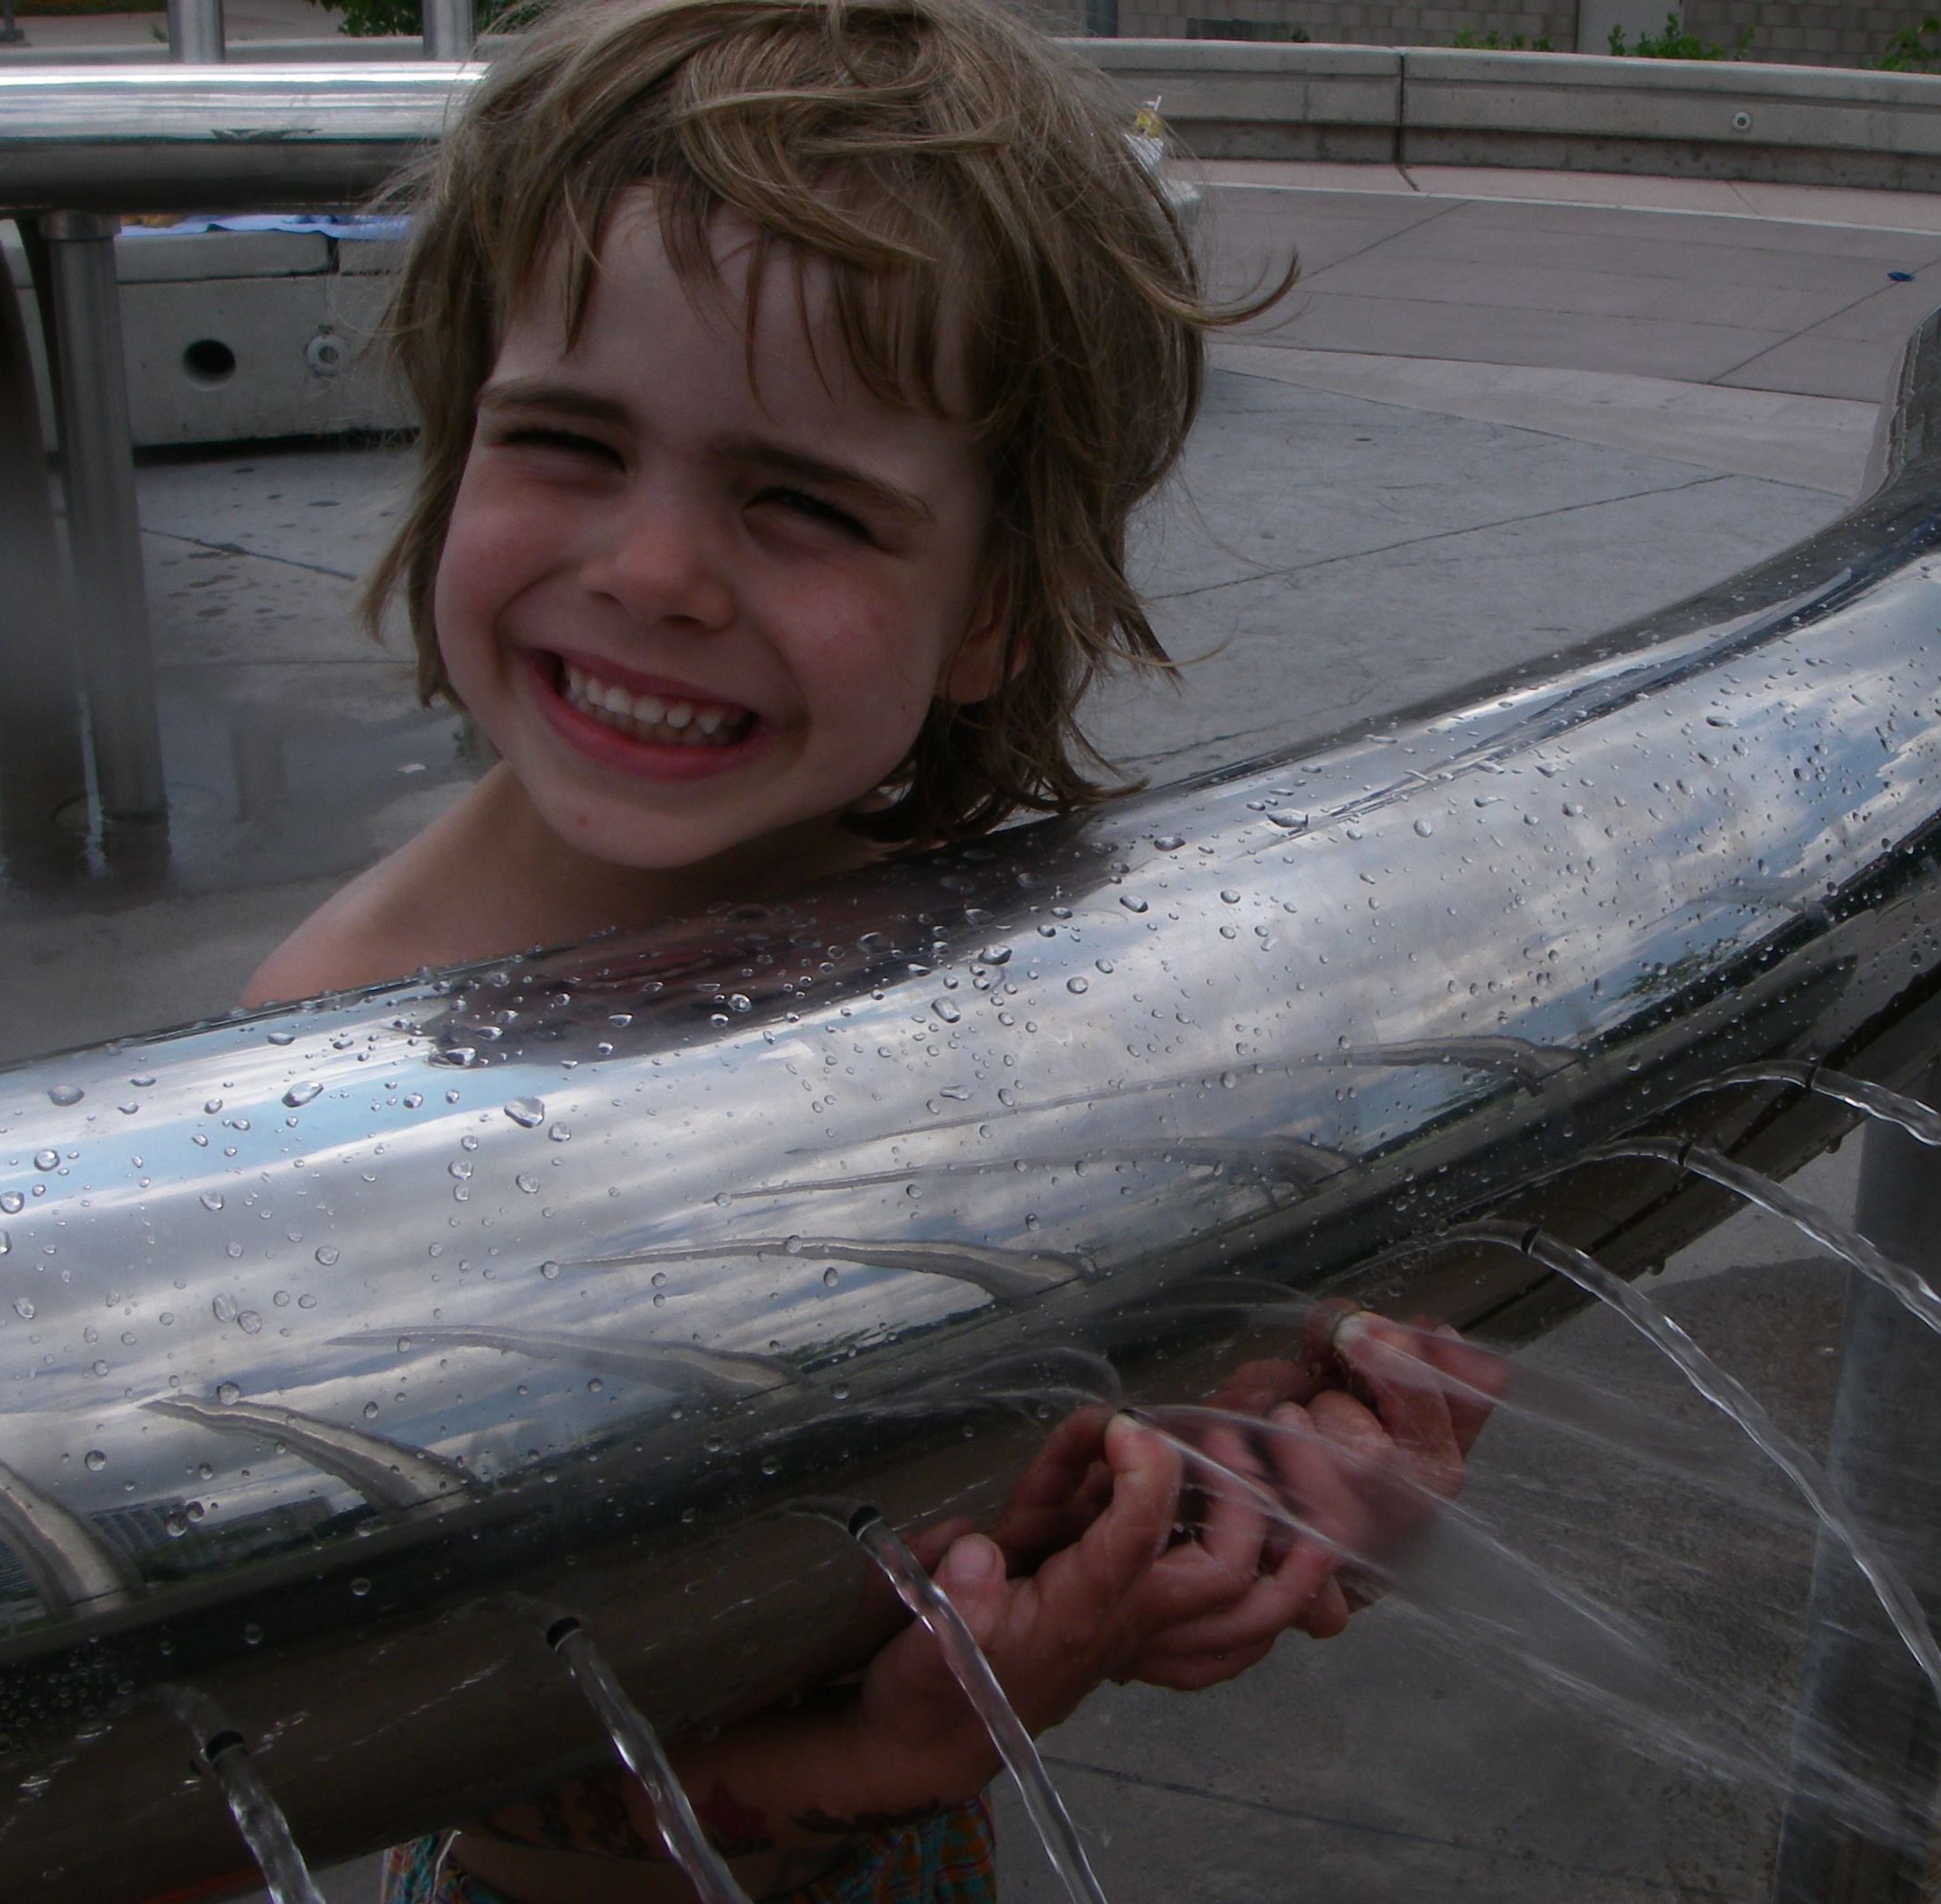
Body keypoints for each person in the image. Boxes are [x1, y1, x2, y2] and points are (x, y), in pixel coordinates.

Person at [243, 0, 1505, 1894]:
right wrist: (852, 1762)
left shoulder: (995, 985)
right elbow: (332, 1739)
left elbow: (1073, 1428)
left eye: (804, 502)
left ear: (993, 609)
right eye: (567, 443)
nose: (652, 572)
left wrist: (1239, 1501)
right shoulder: (322, 1065)